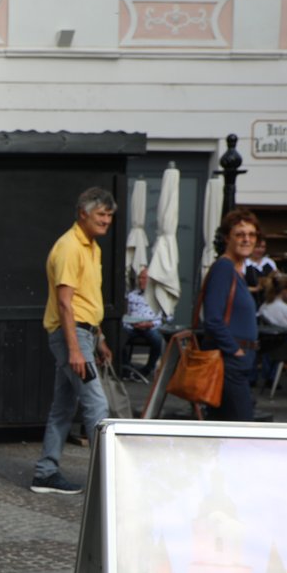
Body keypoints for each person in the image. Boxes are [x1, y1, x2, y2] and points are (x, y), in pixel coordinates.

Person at [31, 187, 115, 494]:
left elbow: (87, 299)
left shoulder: (92, 247)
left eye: (109, 215)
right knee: (97, 405)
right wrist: (76, 350)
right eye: (101, 214)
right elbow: (65, 303)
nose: (106, 220)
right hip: (72, 335)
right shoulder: (69, 247)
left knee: (63, 407)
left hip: (83, 334)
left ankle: (45, 472)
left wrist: (99, 338)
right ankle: (106, 480)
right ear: (83, 213)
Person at [199, 209, 260, 421]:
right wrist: (235, 351)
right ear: (227, 238)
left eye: (251, 234)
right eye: (240, 234)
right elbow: (213, 319)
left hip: (236, 360)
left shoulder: (236, 271)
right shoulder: (224, 268)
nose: (247, 239)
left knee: (226, 428)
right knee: (242, 428)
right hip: (228, 362)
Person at [119, 266, 169, 378]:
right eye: (140, 278)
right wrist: (130, 322)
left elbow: (167, 318)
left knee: (158, 340)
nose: (141, 281)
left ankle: (147, 369)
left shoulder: (158, 296)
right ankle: (126, 368)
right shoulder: (132, 295)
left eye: (144, 278)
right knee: (118, 337)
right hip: (132, 327)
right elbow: (126, 314)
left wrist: (150, 324)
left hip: (150, 327)